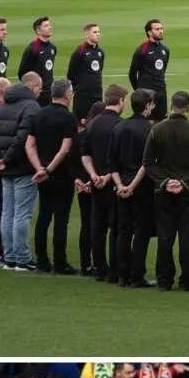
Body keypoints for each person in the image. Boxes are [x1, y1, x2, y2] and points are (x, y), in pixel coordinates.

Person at [133, 90, 189, 291]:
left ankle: (164, 280)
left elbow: (148, 163)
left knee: (165, 237)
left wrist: (166, 182)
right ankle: (187, 280)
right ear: (188, 107)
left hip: (163, 192)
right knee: (188, 236)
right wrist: (184, 182)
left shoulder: (157, 130)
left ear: (171, 106)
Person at [0, 73, 43, 270]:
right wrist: (6, 159)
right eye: (39, 88)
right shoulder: (32, 107)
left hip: (5, 168)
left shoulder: (1, 106)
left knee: (7, 212)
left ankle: (9, 256)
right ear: (33, 87)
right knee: (21, 214)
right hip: (22, 167)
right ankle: (22, 258)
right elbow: (23, 139)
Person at [108, 88, 157, 287]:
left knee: (123, 231)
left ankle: (122, 275)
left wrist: (121, 185)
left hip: (121, 186)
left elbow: (112, 162)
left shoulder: (119, 127)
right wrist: (132, 186)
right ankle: (137, 275)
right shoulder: (150, 129)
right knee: (141, 232)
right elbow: (148, 163)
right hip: (142, 187)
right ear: (146, 105)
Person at [77, 83, 124, 279]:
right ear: (120, 101)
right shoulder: (120, 124)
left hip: (95, 182)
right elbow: (119, 157)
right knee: (115, 226)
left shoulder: (92, 124)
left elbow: (85, 154)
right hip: (112, 182)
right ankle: (114, 269)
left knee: (97, 226)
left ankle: (98, 267)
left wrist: (93, 175)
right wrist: (107, 176)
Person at [127, 19, 169, 100]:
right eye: (157, 29)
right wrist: (139, 91)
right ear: (149, 32)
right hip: (146, 94)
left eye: (161, 28)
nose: (161, 31)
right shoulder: (142, 50)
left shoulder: (165, 50)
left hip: (161, 92)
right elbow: (132, 74)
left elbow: (163, 70)